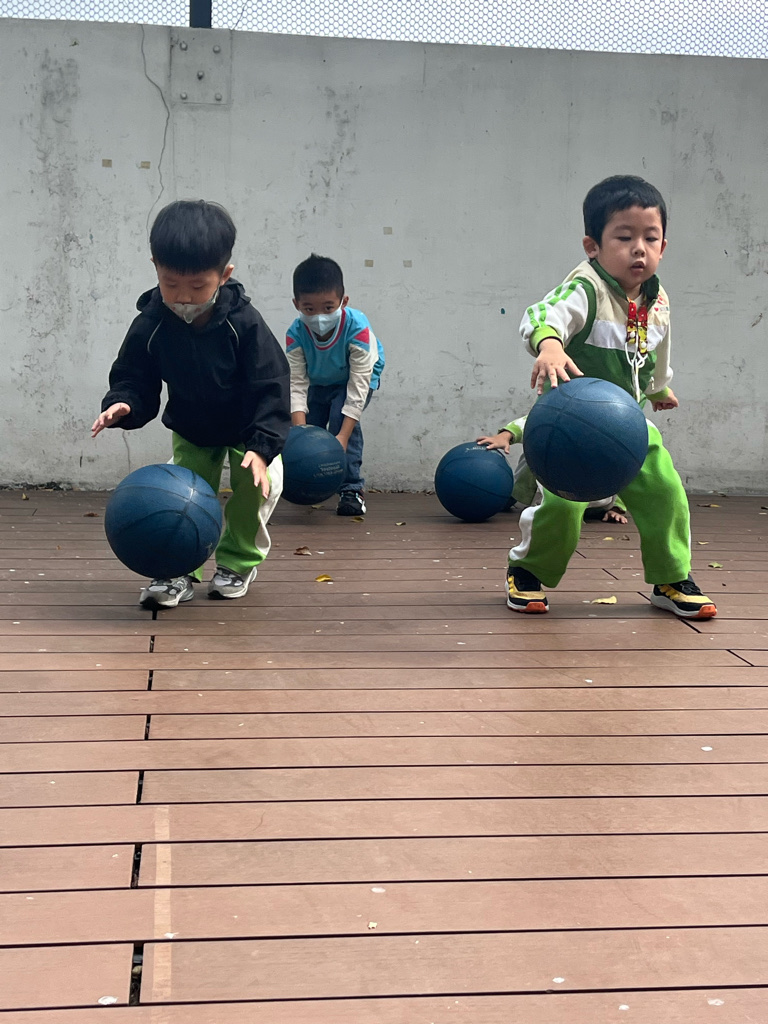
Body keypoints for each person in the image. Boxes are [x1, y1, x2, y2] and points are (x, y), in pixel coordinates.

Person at [505, 174, 717, 619]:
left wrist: (658, 388)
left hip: (628, 423)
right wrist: (549, 344)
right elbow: (542, 314)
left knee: (665, 491)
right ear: (592, 246)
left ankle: (671, 577)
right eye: (624, 237)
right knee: (562, 507)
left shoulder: (657, 300)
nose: (639, 248)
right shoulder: (586, 288)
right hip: (568, 426)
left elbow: (655, 350)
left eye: (650, 238)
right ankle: (526, 571)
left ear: (663, 246)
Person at [92, 200, 290, 610]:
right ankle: (178, 569)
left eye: (198, 287)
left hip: (248, 430)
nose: (183, 297)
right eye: (170, 284)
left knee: (252, 494)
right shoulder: (152, 323)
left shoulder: (244, 324)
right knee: (182, 499)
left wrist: (262, 446)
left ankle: (237, 564)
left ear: (224, 275)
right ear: (155, 268)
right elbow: (133, 374)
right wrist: (124, 402)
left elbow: (270, 384)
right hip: (193, 428)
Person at [286, 254, 384, 516]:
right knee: (310, 427)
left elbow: (358, 387)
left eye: (328, 307)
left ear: (344, 301)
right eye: (309, 309)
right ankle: (310, 484)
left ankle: (351, 489)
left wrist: (342, 437)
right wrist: (300, 434)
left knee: (341, 421)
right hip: (318, 380)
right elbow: (296, 384)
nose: (319, 316)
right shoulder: (295, 334)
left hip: (354, 379)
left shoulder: (358, 329)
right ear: (296, 304)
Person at [477, 417, 628, 524]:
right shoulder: (561, 415)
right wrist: (505, 435)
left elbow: (626, 470)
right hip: (546, 481)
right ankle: (509, 495)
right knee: (535, 450)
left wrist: (617, 508)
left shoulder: (610, 434)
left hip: (595, 505)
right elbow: (531, 422)